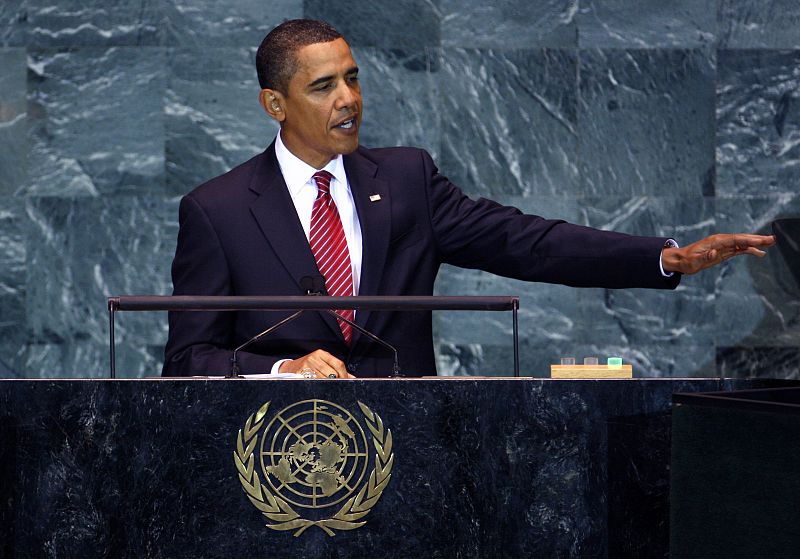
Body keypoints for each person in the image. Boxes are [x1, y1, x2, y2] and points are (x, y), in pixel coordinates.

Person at [162, 19, 775, 379]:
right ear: (276, 105)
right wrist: (280, 371)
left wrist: (663, 258)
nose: (348, 99)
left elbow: (527, 243)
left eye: (352, 78)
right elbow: (189, 359)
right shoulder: (217, 210)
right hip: (277, 461)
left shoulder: (405, 179)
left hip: (413, 446)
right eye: (323, 87)